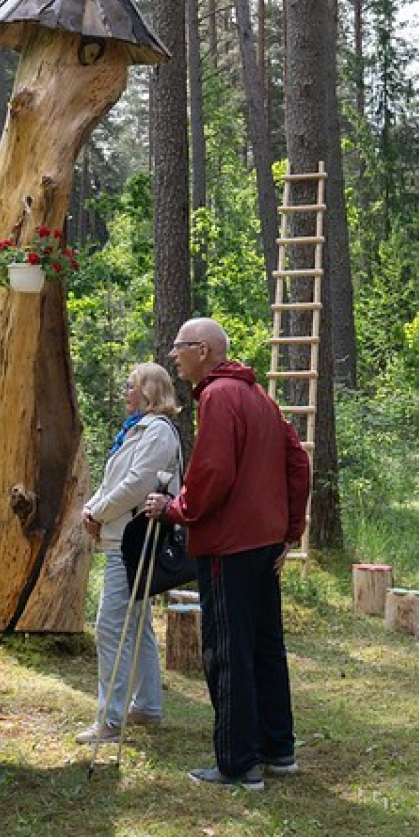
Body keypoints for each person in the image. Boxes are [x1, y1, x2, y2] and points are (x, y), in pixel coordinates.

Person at [144, 317, 311, 790]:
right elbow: (297, 462)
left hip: (229, 546)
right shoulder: (260, 397)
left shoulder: (219, 396)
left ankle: (239, 764)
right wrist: (288, 532)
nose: (173, 356)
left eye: (179, 347)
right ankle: (278, 750)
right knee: (264, 646)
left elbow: (213, 472)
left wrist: (177, 509)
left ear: (203, 350)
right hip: (264, 544)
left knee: (227, 651)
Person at [75, 362, 183, 744]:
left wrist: (99, 514)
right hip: (120, 536)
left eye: (131, 386)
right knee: (136, 624)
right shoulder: (136, 430)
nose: (125, 392)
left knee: (111, 627)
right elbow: (115, 481)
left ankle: (110, 719)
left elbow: (138, 485)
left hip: (132, 541)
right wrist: (91, 509)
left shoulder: (157, 431)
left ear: (149, 391)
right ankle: (147, 707)